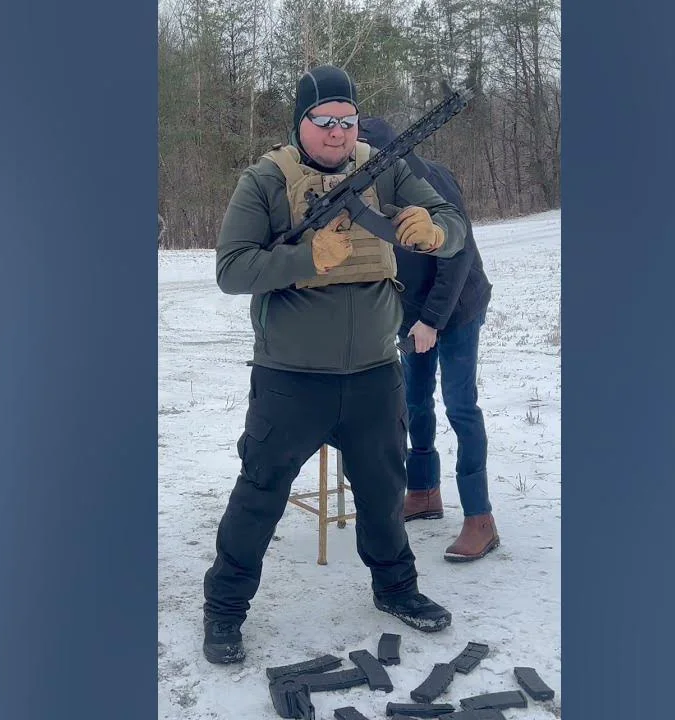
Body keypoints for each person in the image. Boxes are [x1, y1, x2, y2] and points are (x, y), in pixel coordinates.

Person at [201, 65, 470, 665]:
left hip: (375, 372)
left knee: (384, 491)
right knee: (260, 493)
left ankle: (397, 589)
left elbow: (453, 224)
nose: (336, 132)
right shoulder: (265, 180)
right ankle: (224, 609)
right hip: (291, 380)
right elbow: (231, 270)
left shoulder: (387, 167)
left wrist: (435, 232)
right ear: (299, 123)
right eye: (322, 120)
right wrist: (304, 259)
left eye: (347, 121)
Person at [358, 116, 499, 563]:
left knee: (460, 406)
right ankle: (423, 491)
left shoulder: (430, 181)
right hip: (412, 312)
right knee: (414, 403)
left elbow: (457, 257)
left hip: (456, 308)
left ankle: (480, 517)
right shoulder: (362, 192)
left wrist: (432, 321)